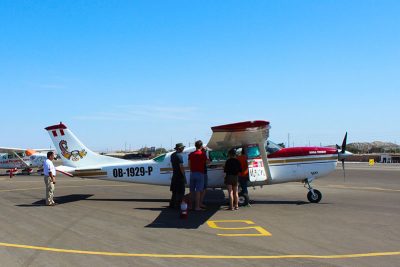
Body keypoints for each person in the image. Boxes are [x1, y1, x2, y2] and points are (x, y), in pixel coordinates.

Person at [188, 140, 208, 211]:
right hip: (200, 173)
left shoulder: (191, 154)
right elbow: (207, 162)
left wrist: (192, 170)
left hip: (192, 173)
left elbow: (189, 165)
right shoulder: (202, 154)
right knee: (198, 191)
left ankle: (190, 206)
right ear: (201, 146)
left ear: (195, 146)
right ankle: (197, 207)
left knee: (191, 191)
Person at [169, 143, 186, 209]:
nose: (183, 149)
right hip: (179, 176)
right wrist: (184, 176)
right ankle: (178, 205)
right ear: (180, 148)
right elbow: (181, 167)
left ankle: (172, 204)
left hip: (174, 175)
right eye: (182, 148)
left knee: (174, 191)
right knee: (181, 191)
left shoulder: (172, 155)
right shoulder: (179, 156)